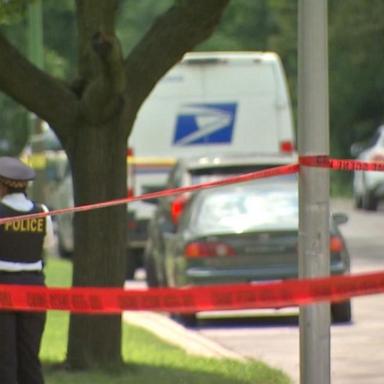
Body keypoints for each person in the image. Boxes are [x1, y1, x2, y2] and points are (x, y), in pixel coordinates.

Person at [0, 156, 54, 384]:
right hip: (34, 290)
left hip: (3, 289)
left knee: (5, 359)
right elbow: (48, 246)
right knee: (30, 356)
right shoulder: (42, 213)